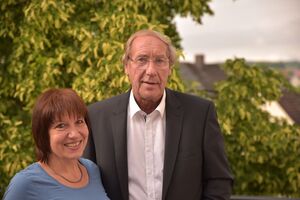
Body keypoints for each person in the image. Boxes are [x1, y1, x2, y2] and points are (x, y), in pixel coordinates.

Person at [84, 30, 233, 200]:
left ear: (170, 68)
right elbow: (86, 184)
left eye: (160, 61)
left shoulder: (200, 114)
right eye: (142, 59)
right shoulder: (96, 117)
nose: (151, 70)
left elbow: (218, 181)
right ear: (126, 66)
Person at [3, 88, 109, 200]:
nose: (74, 134)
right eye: (61, 126)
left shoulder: (92, 170)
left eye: (79, 122)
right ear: (43, 133)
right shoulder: (25, 184)